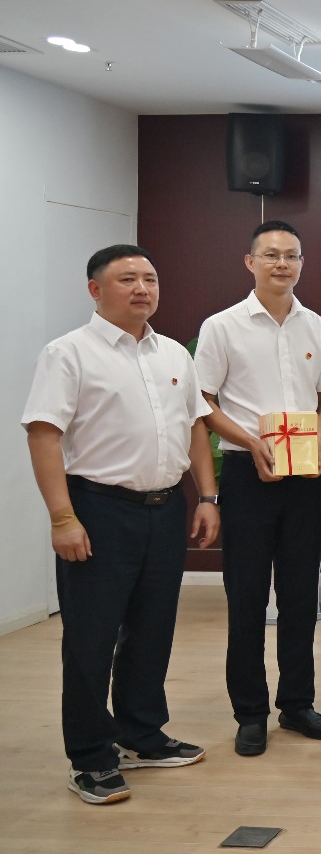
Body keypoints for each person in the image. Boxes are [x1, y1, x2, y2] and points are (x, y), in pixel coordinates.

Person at [23, 245, 220, 805]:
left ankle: (141, 734)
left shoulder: (173, 353)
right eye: (127, 279)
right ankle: (90, 757)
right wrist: (63, 517)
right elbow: (43, 435)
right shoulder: (68, 353)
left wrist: (207, 496)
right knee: (91, 636)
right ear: (95, 289)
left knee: (153, 628)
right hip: (98, 509)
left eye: (150, 279)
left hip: (166, 508)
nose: (142, 288)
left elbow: (196, 426)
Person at [192, 220, 321, 757]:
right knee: (248, 597)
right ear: (250, 262)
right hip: (246, 474)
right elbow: (201, 401)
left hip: (303, 479)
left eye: (292, 255)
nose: (282, 263)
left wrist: (318, 440)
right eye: (272, 254)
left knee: (301, 596)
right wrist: (251, 442)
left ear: (302, 263)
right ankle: (250, 713)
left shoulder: (318, 328)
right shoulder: (222, 327)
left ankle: (297, 704)